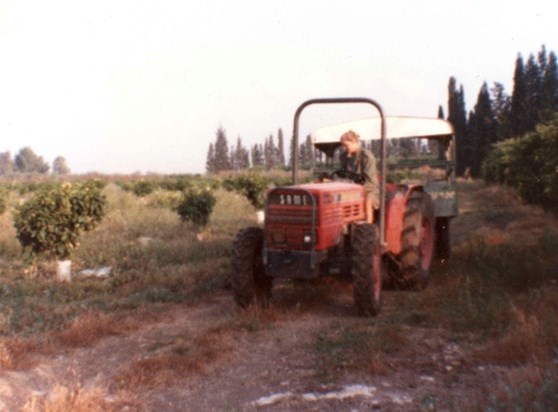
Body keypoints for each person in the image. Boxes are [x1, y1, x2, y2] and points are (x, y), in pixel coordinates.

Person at [339, 130, 379, 223]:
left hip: (369, 189)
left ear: (354, 142)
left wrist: (355, 191)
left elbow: (370, 182)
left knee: (368, 201)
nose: (344, 148)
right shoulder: (344, 157)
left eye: (346, 145)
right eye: (343, 146)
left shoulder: (367, 157)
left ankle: (367, 228)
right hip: (349, 189)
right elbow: (342, 174)